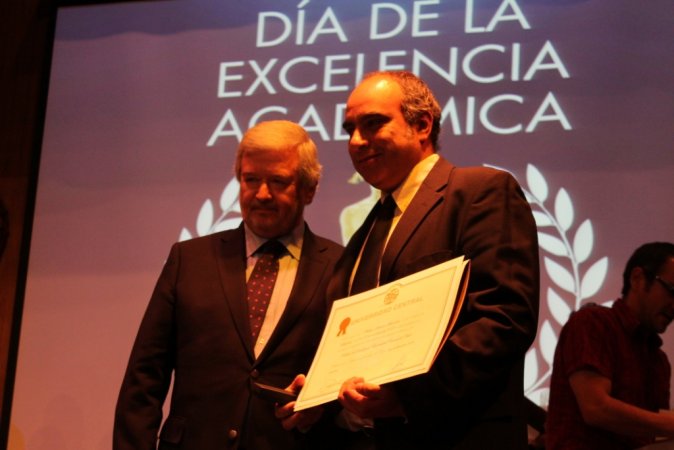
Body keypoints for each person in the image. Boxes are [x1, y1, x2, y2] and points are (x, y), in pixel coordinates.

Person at [279, 71, 540, 449]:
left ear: (422, 124)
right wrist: (321, 395)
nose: (356, 141)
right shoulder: (367, 231)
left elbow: (504, 318)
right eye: (349, 129)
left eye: (373, 124)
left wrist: (405, 396)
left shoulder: (480, 192)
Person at [113, 120, 343, 450]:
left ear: (309, 188)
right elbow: (145, 377)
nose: (262, 194)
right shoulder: (189, 260)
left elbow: (351, 376)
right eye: (251, 180)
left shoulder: (341, 266)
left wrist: (321, 404)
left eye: (278, 181)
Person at [546, 242, 674, 449]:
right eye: (672, 290)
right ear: (637, 279)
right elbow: (595, 407)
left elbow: (655, 435)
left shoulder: (659, 360)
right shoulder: (592, 323)